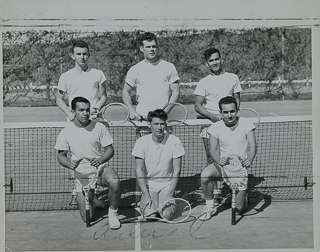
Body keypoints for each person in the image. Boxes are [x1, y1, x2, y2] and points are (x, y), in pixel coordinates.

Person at [54, 40, 108, 205]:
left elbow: (104, 95)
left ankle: (94, 191)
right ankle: (76, 191)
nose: (82, 57)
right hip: (74, 123)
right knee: (76, 157)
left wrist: (97, 107)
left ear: (89, 54)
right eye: (78, 54)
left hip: (93, 121)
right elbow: (59, 99)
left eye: (85, 53)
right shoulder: (66, 76)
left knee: (96, 155)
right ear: (72, 55)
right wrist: (69, 114)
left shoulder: (98, 74)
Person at [55, 96, 121, 229]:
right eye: (81, 110)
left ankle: (113, 214)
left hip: (100, 168)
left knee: (115, 181)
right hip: (81, 174)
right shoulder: (66, 132)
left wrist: (100, 160)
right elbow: (61, 156)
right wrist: (69, 164)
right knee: (88, 218)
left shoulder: (99, 126)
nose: (85, 113)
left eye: (87, 110)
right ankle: (94, 199)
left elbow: (110, 149)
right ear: (73, 112)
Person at [194, 48, 243, 201]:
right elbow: (197, 105)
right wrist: (213, 117)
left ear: (222, 59)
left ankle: (232, 190)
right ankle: (214, 194)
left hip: (230, 127)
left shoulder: (233, 78)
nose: (214, 62)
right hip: (210, 129)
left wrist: (230, 119)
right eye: (211, 60)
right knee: (213, 160)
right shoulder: (204, 82)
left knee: (232, 158)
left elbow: (237, 101)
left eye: (217, 59)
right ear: (206, 63)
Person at [199, 96, 256, 221]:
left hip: (239, 169)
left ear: (237, 110)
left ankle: (244, 197)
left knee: (239, 210)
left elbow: (252, 145)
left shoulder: (246, 123)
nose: (229, 115)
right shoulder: (215, 127)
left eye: (232, 111)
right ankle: (210, 205)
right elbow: (213, 149)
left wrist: (249, 160)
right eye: (225, 112)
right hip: (222, 165)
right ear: (220, 113)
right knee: (205, 175)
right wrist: (219, 160)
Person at [132, 109, 185, 217]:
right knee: (150, 215)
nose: (159, 127)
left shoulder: (175, 141)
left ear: (165, 124)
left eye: (162, 124)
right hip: (150, 185)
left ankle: (164, 203)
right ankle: (145, 202)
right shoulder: (141, 142)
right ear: (149, 124)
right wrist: (146, 195)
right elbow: (139, 170)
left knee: (165, 215)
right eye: (156, 124)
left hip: (167, 185)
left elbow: (177, 170)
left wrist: (170, 194)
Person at [122, 32, 180, 121]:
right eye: (148, 47)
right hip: (142, 119)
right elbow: (125, 91)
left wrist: (165, 112)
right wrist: (131, 110)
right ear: (141, 48)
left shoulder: (169, 67)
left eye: (154, 46)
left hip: (164, 120)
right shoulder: (135, 69)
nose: (151, 49)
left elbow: (176, 92)